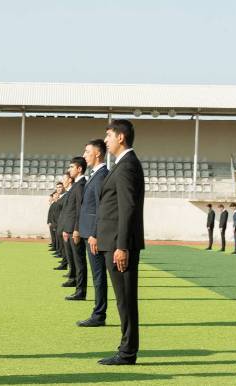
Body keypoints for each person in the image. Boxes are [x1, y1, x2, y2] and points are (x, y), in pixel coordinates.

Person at [96, 119, 144, 365]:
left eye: (108, 136)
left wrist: (122, 246)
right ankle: (126, 349)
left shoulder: (127, 166)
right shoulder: (122, 164)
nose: (106, 141)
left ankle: (127, 352)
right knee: (123, 299)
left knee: (125, 299)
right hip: (113, 241)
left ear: (121, 137)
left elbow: (127, 209)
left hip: (119, 244)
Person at [78, 139, 109, 326]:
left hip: (94, 235)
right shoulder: (95, 175)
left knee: (98, 276)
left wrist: (95, 234)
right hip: (89, 232)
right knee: (97, 275)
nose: (84, 155)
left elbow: (101, 208)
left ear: (97, 153)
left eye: (87, 152)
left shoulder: (101, 175)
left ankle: (99, 315)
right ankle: (98, 313)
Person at [59, 157, 86, 297]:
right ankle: (75, 282)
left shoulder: (81, 185)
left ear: (79, 169)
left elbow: (79, 209)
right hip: (70, 228)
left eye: (71, 167)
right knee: (75, 260)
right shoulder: (76, 185)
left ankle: (80, 291)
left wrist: (76, 229)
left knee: (80, 262)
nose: (69, 170)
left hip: (75, 230)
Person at [53, 174, 72, 270]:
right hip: (60, 223)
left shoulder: (68, 194)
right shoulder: (64, 195)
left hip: (65, 225)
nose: (63, 181)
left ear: (69, 180)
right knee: (64, 247)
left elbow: (66, 210)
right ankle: (65, 263)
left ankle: (66, 264)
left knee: (67, 248)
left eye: (64, 179)